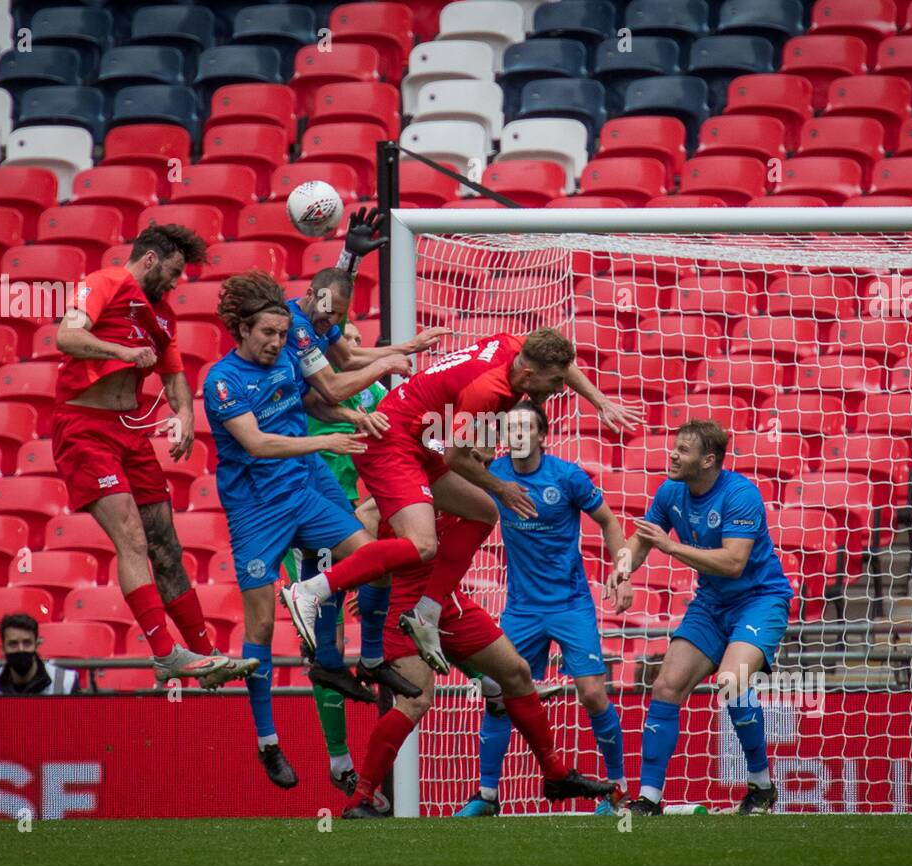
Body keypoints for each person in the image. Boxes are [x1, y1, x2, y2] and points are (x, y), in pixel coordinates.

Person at [285, 330, 642, 676]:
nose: (559, 388)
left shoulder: (516, 348)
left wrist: (601, 401)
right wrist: (502, 488)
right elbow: (456, 457)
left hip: (421, 438)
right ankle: (313, 590)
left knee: (483, 513)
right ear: (530, 374)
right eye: (554, 382)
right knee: (423, 544)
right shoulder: (486, 390)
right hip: (392, 444)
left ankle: (426, 612)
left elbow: (563, 366)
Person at [204, 270, 404, 789]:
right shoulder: (222, 381)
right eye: (266, 334)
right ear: (242, 331)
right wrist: (326, 442)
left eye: (279, 333)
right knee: (261, 629)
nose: (276, 342)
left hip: (304, 492)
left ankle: (368, 658)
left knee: (376, 561)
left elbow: (312, 400)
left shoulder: (289, 357)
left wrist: (349, 417)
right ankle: (268, 743)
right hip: (256, 510)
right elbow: (257, 444)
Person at [53, 223, 252, 688]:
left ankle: (205, 658)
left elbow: (174, 375)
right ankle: (166, 655)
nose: (177, 282)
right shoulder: (104, 283)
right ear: (149, 260)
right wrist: (122, 352)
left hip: (129, 436)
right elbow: (67, 336)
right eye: (175, 271)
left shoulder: (163, 316)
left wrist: (184, 414)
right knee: (133, 539)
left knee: (167, 548)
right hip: (85, 429)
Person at [340, 512, 620, 819]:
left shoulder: (462, 484)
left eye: (487, 460)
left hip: (445, 599)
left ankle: (554, 774)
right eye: (480, 459)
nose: (484, 462)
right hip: (401, 603)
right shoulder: (400, 484)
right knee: (416, 699)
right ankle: (362, 797)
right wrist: (369, 589)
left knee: (516, 672)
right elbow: (364, 518)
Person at [606, 420, 795, 816]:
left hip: (760, 599)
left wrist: (671, 548)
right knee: (666, 686)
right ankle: (649, 799)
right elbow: (640, 540)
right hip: (711, 604)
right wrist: (622, 570)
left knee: (731, 682)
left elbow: (733, 562)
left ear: (708, 460)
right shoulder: (671, 491)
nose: (672, 455)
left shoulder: (741, 494)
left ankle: (761, 787)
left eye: (683, 451)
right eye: (674, 447)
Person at [455, 401, 632, 817]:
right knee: (498, 695)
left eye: (524, 428)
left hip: (570, 604)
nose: (516, 434)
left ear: (541, 436)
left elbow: (608, 521)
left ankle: (618, 791)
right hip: (521, 608)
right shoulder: (492, 475)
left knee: (591, 694)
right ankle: (486, 795)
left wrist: (621, 573)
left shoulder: (566, 476)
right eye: (510, 427)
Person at [280, 319, 420, 799]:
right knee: (328, 646)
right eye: (347, 343)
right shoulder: (310, 393)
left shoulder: (376, 394)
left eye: (360, 342)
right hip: (312, 524)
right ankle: (340, 759)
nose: (354, 349)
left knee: (384, 630)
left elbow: (401, 452)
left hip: (360, 521)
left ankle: (372, 768)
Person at [0, 614, 78, 696]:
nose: (21, 649)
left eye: (27, 643)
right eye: (13, 644)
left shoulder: (66, 682)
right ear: (3, 649)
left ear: (37, 645)